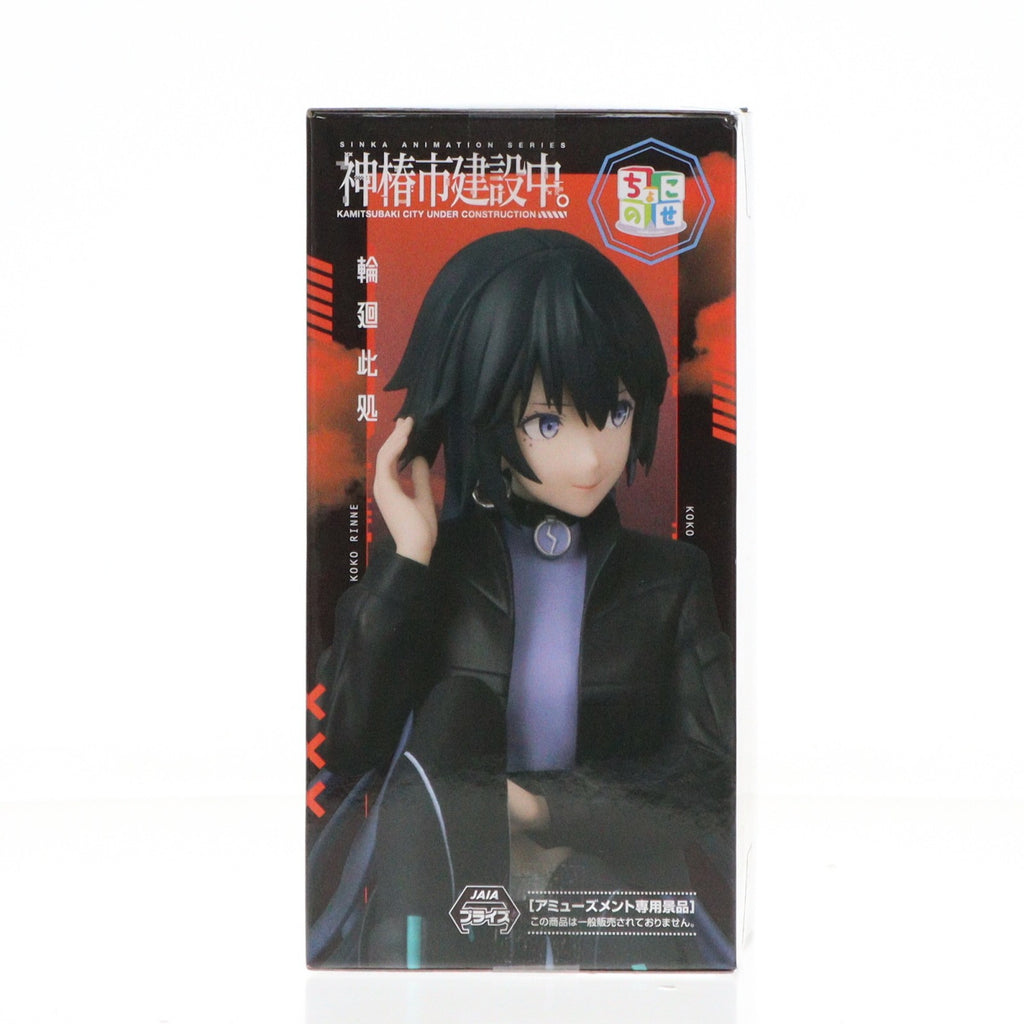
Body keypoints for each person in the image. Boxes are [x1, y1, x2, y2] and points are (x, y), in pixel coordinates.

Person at [316, 228, 735, 968]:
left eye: (615, 412)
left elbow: (711, 776)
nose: (591, 457)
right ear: (477, 413)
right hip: (445, 892)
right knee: (457, 710)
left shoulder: (670, 580)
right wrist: (408, 559)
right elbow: (350, 746)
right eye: (546, 422)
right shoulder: (432, 569)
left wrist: (545, 809)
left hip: (613, 895)